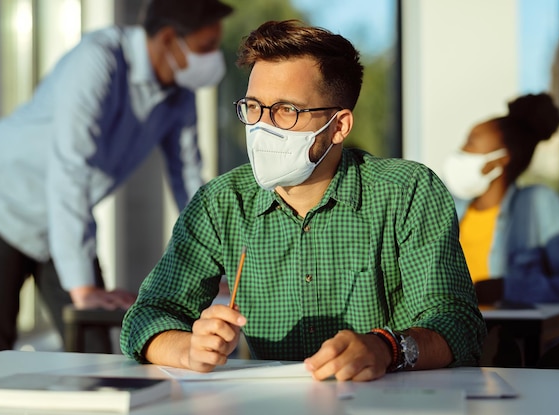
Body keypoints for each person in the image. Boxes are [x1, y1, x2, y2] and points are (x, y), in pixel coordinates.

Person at [120, 20, 485, 382]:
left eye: (286, 110)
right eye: (253, 107)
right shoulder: (222, 203)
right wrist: (188, 348)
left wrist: (386, 348)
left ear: (339, 126)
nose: (262, 126)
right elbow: (147, 316)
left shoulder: (408, 192)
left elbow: (458, 324)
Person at [0, 0, 234, 356]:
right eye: (206, 47)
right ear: (169, 39)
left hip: (68, 220)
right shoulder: (97, 60)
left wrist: (218, 262)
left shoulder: (179, 94)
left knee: (95, 353)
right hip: (2, 202)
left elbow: (189, 178)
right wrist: (83, 287)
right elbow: (70, 168)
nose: (214, 59)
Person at [443, 93, 559, 305]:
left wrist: (508, 289)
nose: (460, 152)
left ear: (500, 160)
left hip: (507, 336)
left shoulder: (537, 203)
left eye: (470, 143)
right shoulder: (450, 210)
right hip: (454, 335)